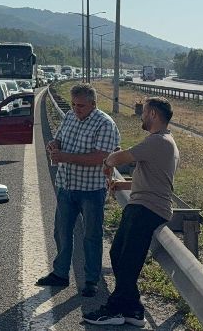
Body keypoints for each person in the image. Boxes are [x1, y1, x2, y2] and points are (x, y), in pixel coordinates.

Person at [83, 97, 179, 327]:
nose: (141, 116)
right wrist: (124, 185)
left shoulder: (158, 141)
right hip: (144, 205)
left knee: (127, 260)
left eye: (144, 112)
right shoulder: (163, 141)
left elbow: (119, 157)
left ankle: (115, 309)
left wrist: (107, 160)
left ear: (154, 114)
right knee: (119, 255)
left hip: (147, 209)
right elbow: (153, 180)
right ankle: (133, 310)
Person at [36, 83, 120, 297]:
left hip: (91, 189)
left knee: (91, 235)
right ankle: (60, 273)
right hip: (66, 186)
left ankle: (91, 280)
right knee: (61, 232)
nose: (76, 109)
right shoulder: (70, 117)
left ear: (93, 104)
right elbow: (61, 139)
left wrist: (65, 157)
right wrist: (54, 145)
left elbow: (101, 157)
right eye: (73, 104)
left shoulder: (105, 124)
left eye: (81, 105)